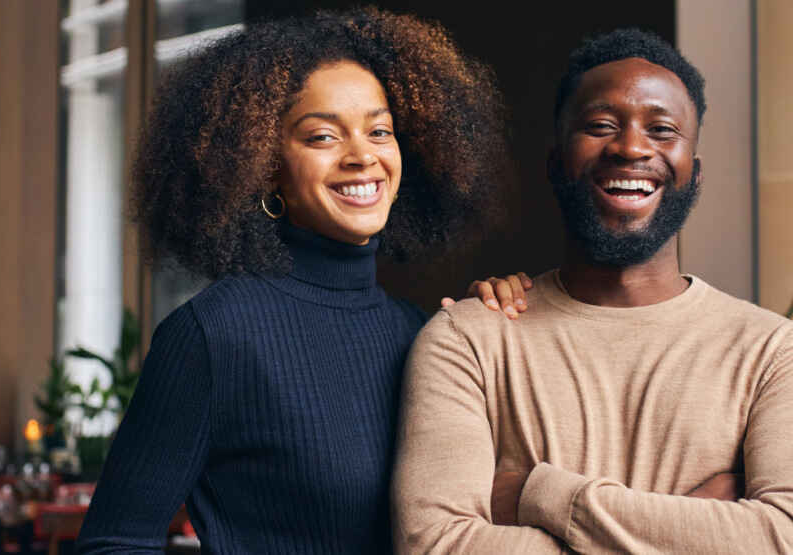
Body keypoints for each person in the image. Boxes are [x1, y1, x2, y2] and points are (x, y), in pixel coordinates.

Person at [76, 8, 521, 554]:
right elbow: (112, 543)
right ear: (264, 165)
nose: (362, 156)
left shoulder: (421, 330)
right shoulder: (212, 337)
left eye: (380, 131)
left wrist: (500, 324)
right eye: (323, 137)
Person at [392, 29, 793, 553]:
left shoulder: (779, 355)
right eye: (601, 125)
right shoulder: (466, 342)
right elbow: (433, 546)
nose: (632, 146)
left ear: (693, 176)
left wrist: (536, 494)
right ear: (555, 163)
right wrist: (699, 530)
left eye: (661, 129)